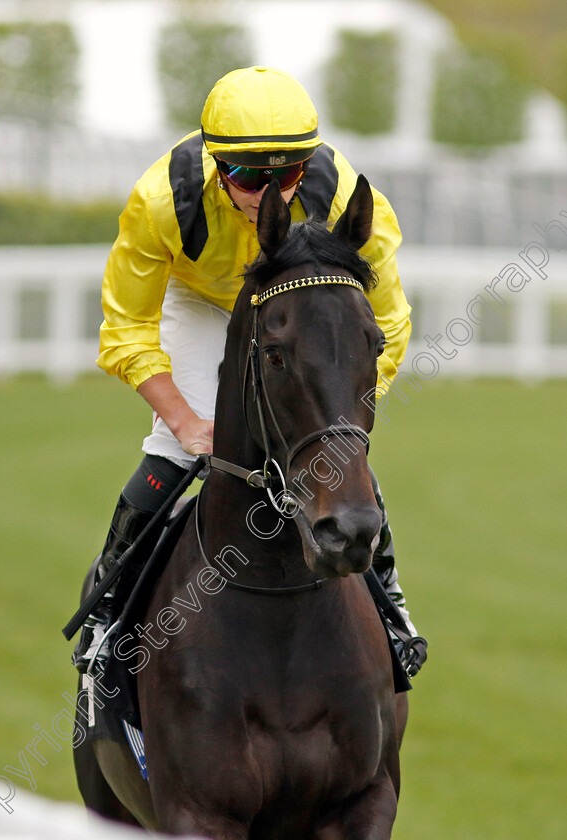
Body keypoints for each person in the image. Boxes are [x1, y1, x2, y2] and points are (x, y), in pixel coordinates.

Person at [72, 66, 427, 678]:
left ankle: (390, 607)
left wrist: (343, 419)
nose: (269, 194)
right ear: (215, 165)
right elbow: (126, 329)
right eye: (246, 176)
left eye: (286, 175)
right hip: (202, 300)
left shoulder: (342, 196)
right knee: (172, 448)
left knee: (336, 451)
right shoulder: (162, 201)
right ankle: (107, 614)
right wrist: (185, 423)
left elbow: (387, 326)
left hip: (296, 299)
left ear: (306, 166)